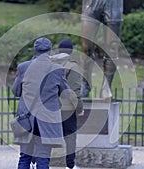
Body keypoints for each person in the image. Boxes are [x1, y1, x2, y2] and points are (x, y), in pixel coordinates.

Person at [12, 37, 70, 169]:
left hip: (26, 118)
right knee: (43, 157)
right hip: (47, 119)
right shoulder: (57, 69)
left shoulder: (23, 67)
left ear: (35, 50)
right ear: (49, 50)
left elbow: (16, 91)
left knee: (24, 156)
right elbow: (66, 93)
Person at [50, 39, 84, 169]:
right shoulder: (72, 66)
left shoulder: (49, 63)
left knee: (46, 134)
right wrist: (79, 107)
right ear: (71, 51)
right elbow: (74, 90)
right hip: (66, 108)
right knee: (70, 136)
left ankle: (39, 162)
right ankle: (70, 165)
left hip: (49, 106)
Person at [81, 0, 123, 97]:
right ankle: (85, 84)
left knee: (112, 47)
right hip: (91, 3)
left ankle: (106, 86)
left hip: (113, 4)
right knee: (86, 46)